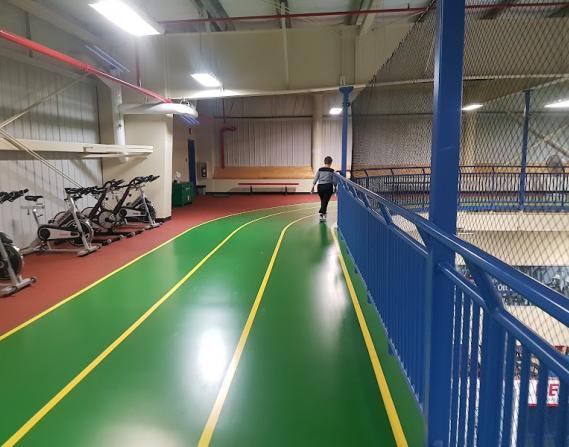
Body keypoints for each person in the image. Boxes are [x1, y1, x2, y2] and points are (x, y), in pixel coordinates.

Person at [312, 156, 337, 222]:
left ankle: (323, 215)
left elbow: (316, 178)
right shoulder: (332, 171)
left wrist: (313, 187)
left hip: (320, 187)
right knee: (325, 201)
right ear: (331, 163)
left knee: (323, 201)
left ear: (324, 162)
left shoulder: (320, 169)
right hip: (328, 187)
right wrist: (335, 187)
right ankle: (321, 212)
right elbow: (334, 181)